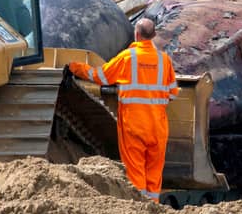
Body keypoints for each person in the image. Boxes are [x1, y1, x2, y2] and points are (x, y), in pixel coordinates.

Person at [65, 17, 179, 203]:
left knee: (135, 172)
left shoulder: (128, 57)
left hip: (134, 125)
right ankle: (153, 208)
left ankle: (138, 207)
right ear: (154, 35)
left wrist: (75, 67)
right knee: (154, 174)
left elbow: (100, 76)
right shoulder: (163, 60)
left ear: (136, 34)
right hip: (157, 127)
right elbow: (173, 93)